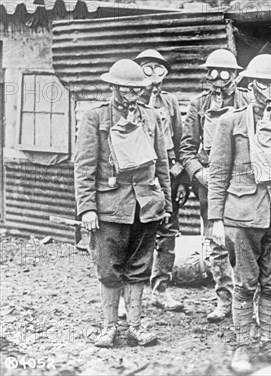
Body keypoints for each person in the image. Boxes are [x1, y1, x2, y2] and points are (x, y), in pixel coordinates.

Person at [208, 54, 271, 374]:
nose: (269, 89)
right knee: (244, 283)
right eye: (263, 84)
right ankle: (244, 345)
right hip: (243, 214)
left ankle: (267, 340)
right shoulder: (231, 122)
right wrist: (215, 219)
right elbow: (218, 171)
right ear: (251, 85)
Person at [75, 59, 172, 347]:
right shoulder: (96, 118)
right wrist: (87, 208)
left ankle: (136, 327)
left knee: (140, 268)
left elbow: (162, 165)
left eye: (138, 90)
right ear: (114, 86)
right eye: (127, 89)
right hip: (110, 207)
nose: (133, 94)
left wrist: (164, 204)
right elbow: (84, 167)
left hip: (146, 206)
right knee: (109, 269)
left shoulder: (152, 117)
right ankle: (109, 328)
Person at [179, 49, 252, 322]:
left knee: (244, 242)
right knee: (217, 243)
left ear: (234, 74)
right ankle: (224, 300)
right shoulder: (198, 105)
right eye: (211, 72)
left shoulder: (249, 101)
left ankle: (247, 302)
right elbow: (186, 148)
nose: (217, 78)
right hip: (210, 184)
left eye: (223, 72)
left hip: (244, 182)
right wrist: (198, 173)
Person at [133, 49, 187, 312]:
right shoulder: (130, 100)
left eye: (159, 69)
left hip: (167, 174)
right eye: (147, 68)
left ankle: (160, 290)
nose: (154, 76)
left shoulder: (170, 102)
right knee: (135, 234)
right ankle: (128, 297)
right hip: (139, 175)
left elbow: (180, 140)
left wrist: (181, 178)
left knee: (167, 232)